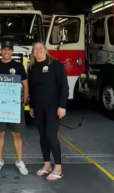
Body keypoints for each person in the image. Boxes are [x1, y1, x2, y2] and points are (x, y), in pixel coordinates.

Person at [27, 41, 69, 181]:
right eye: (35, 49)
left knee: (51, 136)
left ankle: (58, 168)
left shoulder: (56, 65)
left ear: (45, 50)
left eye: (40, 48)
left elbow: (64, 86)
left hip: (53, 107)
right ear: (33, 53)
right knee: (43, 137)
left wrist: (62, 106)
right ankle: (47, 166)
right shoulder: (32, 67)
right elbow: (32, 90)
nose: (38, 50)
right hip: (38, 108)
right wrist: (31, 106)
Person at [0, 41, 29, 175]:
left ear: (12, 51)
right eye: (4, 49)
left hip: (14, 105)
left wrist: (24, 102)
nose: (6, 52)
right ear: (1, 51)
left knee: (17, 134)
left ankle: (19, 161)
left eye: (9, 49)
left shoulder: (18, 66)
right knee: (0, 134)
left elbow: (25, 84)